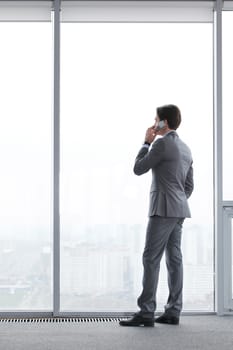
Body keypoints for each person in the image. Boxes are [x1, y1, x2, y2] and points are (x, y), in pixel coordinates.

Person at [119, 104, 194, 327]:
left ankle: (146, 312)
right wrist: (178, 199)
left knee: (150, 258)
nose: (154, 122)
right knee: (174, 260)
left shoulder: (161, 144)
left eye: (156, 119)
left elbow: (139, 168)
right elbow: (189, 186)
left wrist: (146, 142)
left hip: (163, 209)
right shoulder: (186, 148)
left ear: (164, 122)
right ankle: (173, 311)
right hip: (179, 210)